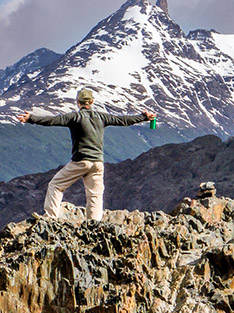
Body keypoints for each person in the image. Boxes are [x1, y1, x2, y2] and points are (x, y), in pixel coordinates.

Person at [16, 88, 155, 221]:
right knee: (95, 195)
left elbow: (52, 121)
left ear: (78, 102)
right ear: (92, 102)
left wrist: (31, 118)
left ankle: (51, 217)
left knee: (55, 185)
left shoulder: (75, 117)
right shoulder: (102, 117)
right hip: (98, 163)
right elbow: (123, 120)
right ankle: (94, 225)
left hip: (81, 161)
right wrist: (143, 117)